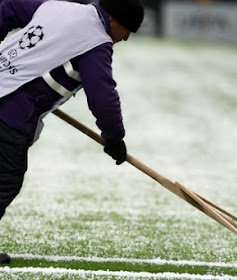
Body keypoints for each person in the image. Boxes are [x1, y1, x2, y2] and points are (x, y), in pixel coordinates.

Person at [0, 0, 144, 263]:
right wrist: (114, 139)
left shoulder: (58, 7)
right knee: (4, 181)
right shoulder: (96, 42)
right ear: (113, 21)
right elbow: (102, 97)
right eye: (127, 31)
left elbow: (6, 8)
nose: (125, 39)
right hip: (9, 114)